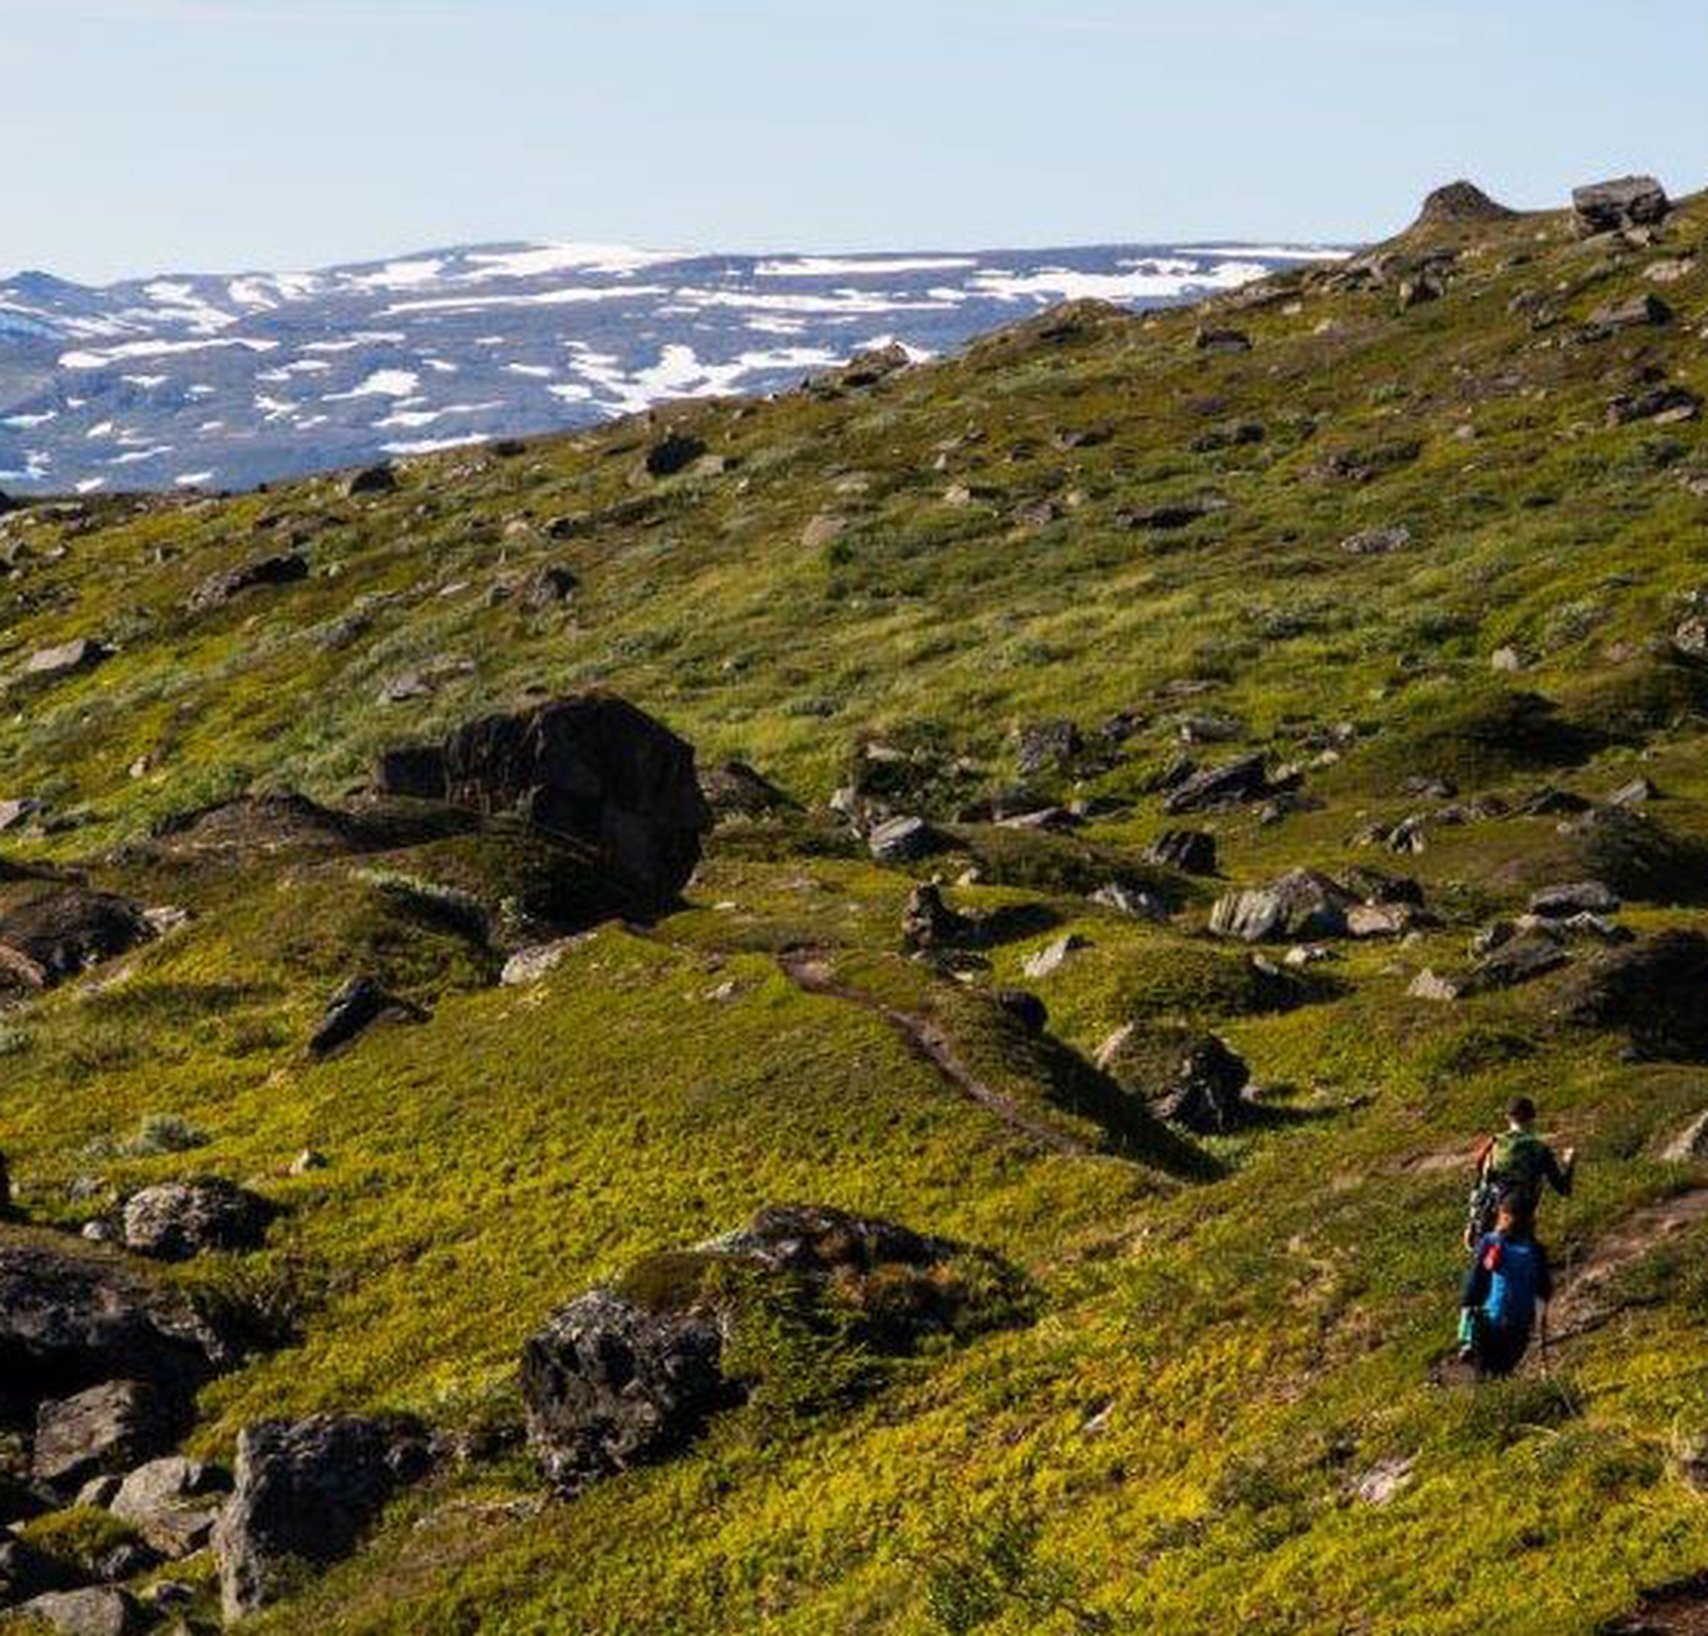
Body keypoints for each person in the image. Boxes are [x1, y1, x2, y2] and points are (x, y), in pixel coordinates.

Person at [1463, 1096, 1575, 1250]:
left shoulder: (1494, 1142)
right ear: (1533, 1117)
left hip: (1490, 1217)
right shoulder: (1540, 1149)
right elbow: (1563, 1189)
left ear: (1507, 1117)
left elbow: (1480, 1178)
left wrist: (1472, 1220)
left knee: (1488, 1263)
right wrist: (1569, 1163)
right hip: (1521, 1218)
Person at [1459, 1197, 1553, 1378]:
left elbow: (1475, 1281)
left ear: (1502, 1217)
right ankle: (1506, 1396)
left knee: (1483, 1374)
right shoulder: (1537, 1250)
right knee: (1503, 1372)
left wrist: (1465, 1324)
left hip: (1491, 1323)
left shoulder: (1491, 1241)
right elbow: (1544, 1290)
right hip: (1520, 1326)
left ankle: (1469, 1351)